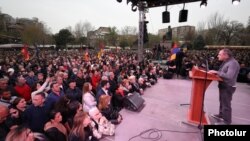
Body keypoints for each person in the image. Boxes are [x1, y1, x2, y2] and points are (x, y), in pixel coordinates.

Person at [209, 49, 240, 125]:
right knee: (222, 102)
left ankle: (227, 122)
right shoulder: (226, 62)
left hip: (228, 86)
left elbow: (229, 76)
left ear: (225, 55)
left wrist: (217, 72)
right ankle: (221, 115)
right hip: (223, 85)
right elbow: (222, 73)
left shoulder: (233, 63)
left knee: (226, 104)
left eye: (219, 54)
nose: (218, 56)